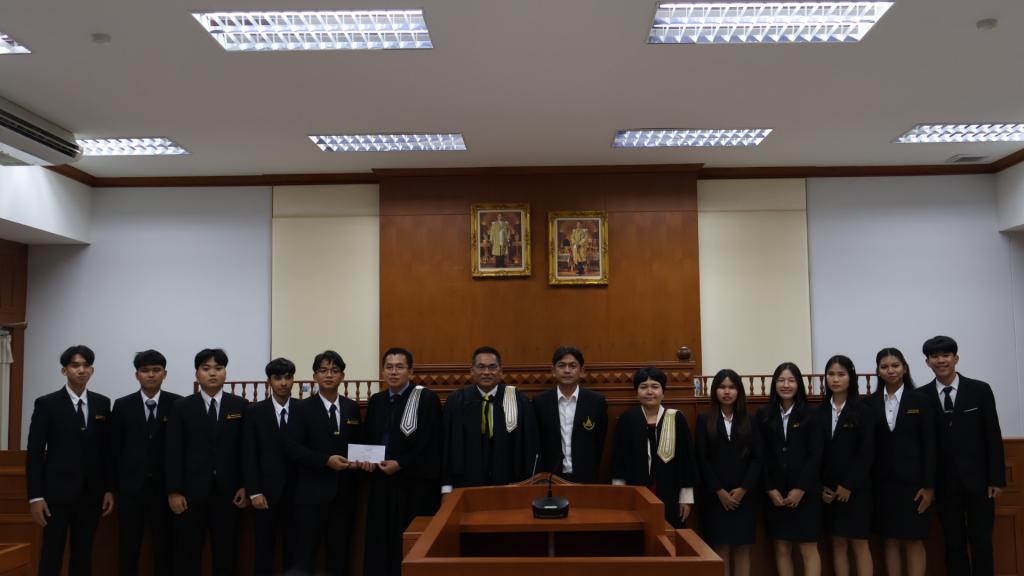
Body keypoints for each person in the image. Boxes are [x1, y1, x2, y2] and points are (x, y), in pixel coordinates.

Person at [920, 335, 1005, 576]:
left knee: (982, 542)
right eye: (935, 356)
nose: (941, 360)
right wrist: (928, 484)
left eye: (946, 355)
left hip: (980, 483)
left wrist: (996, 479)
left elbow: (992, 435)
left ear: (956, 358)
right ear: (927, 362)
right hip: (944, 484)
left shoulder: (980, 390)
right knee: (953, 544)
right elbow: (923, 444)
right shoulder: (921, 396)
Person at [26, 345, 114, 576]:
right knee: (52, 551)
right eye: (75, 365)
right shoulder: (47, 403)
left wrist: (108, 488)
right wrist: (35, 496)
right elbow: (35, 453)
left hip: (91, 494)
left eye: (86, 366)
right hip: (55, 494)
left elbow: (106, 450)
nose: (81, 370)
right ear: (64, 370)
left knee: (84, 552)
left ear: (92, 370)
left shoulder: (102, 403)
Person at [165, 348, 249, 576]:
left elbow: (246, 450)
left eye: (218, 368)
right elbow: (173, 452)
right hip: (190, 495)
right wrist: (174, 491)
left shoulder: (240, 406)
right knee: (188, 553)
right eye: (206, 368)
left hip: (230, 494)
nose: (213, 373)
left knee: (227, 552)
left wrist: (245, 485)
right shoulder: (181, 407)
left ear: (225, 372)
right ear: (197, 374)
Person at [359, 347, 443, 576]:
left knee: (408, 542)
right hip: (381, 483)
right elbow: (369, 438)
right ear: (382, 371)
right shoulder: (377, 401)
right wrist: (366, 460)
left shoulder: (426, 399)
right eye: (389, 367)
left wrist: (402, 463)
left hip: (413, 484)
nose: (393, 372)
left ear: (411, 372)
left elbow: (430, 442)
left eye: (399, 367)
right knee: (380, 540)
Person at [287, 350, 361, 576]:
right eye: (323, 370)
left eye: (334, 371)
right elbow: (293, 448)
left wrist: (361, 461)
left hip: (344, 495)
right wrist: (325, 461)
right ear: (315, 376)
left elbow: (359, 444)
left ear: (342, 376)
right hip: (310, 495)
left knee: (340, 555)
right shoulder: (300, 408)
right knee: (305, 555)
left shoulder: (352, 407)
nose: (329, 375)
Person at [110, 349, 182, 576]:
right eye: (145, 370)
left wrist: (177, 487)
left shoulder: (178, 404)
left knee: (165, 547)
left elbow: (182, 449)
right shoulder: (122, 405)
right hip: (131, 490)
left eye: (156, 370)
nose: (151, 375)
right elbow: (114, 450)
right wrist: (112, 488)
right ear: (137, 375)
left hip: (165, 490)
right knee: (129, 546)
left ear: (164, 374)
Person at [870, 347, 935, 576]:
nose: (890, 370)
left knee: (914, 540)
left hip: (915, 486)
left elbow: (930, 446)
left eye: (895, 366)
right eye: (884, 367)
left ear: (904, 369)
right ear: (878, 371)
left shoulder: (922, 400)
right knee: (890, 540)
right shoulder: (870, 403)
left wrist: (929, 486)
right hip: (882, 485)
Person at [441, 346, 538, 491]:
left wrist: (530, 484)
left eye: (492, 367)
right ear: (472, 371)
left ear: (501, 371)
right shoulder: (456, 402)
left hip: (509, 483)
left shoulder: (518, 400)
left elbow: (529, 446)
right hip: (466, 483)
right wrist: (446, 487)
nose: (486, 372)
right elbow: (446, 446)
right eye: (481, 367)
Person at [611, 366, 697, 528]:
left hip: (669, 491)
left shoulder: (676, 418)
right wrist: (619, 494)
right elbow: (618, 460)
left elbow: (686, 460)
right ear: (637, 392)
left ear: (663, 392)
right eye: (643, 387)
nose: (649, 391)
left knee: (669, 534)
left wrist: (686, 498)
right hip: (636, 491)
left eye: (655, 387)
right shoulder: (627, 419)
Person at [758, 362, 822, 576]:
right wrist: (769, 488)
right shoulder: (764, 414)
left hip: (806, 493)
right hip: (775, 494)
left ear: (799, 384)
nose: (786, 385)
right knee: (782, 548)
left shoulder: (812, 413)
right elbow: (761, 455)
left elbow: (816, 455)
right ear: (774, 384)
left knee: (807, 548)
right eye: (781, 380)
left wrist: (801, 488)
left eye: (791, 380)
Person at [695, 368, 759, 576]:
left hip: (744, 496)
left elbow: (757, 458)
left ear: (739, 391)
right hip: (716, 496)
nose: (727, 391)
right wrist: (719, 491)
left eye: (732, 387)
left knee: (742, 548)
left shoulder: (751, 420)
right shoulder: (704, 419)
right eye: (722, 387)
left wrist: (744, 489)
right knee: (720, 548)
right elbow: (702, 459)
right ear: (715, 390)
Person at [818, 355, 874, 576]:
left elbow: (867, 452)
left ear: (851, 377)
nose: (835, 379)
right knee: (838, 543)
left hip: (856, 489)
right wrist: (821, 485)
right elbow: (815, 453)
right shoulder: (819, 411)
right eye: (831, 374)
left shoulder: (863, 410)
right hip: (829, 490)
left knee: (859, 543)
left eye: (841, 374)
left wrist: (849, 485)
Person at [243, 358, 297, 576]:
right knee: (264, 550)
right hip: (264, 495)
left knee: (294, 551)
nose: (283, 383)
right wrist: (254, 491)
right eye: (277, 378)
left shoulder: (303, 409)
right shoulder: (254, 411)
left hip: (297, 494)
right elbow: (249, 454)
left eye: (288, 377)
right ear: (269, 381)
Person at [532, 346, 608, 483]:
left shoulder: (596, 402)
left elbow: (599, 441)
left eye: (573, 366)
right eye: (562, 365)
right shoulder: (540, 402)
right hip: (550, 476)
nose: (567, 370)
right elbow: (536, 442)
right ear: (553, 371)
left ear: (582, 371)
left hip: (585, 476)